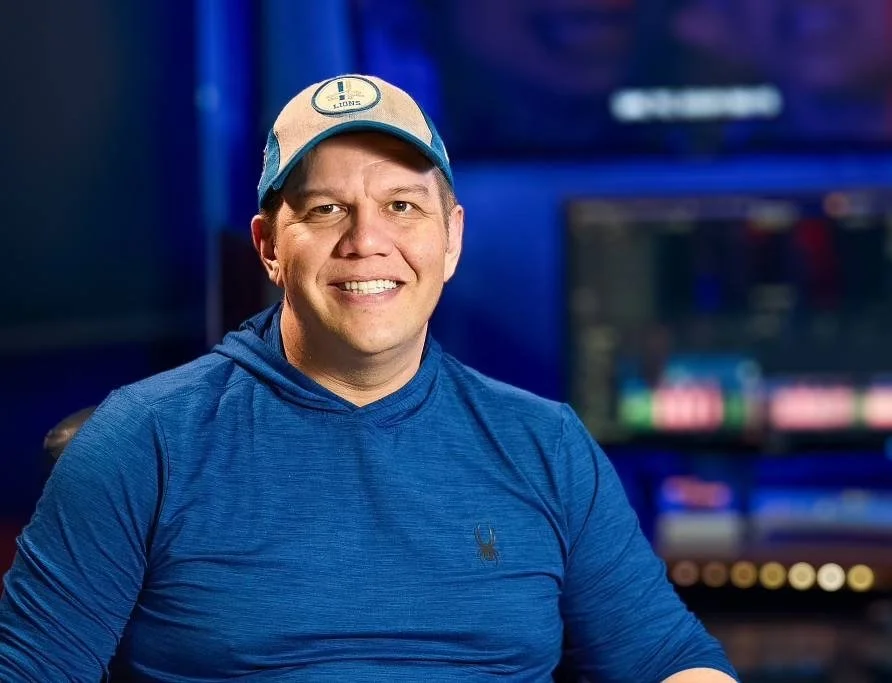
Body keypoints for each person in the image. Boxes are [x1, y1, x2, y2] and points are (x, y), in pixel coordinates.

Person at [0, 74, 738, 682]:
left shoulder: (547, 446)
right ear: (269, 246)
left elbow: (668, 661)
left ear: (451, 238)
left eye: (401, 206)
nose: (366, 241)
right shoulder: (141, 442)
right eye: (327, 210)